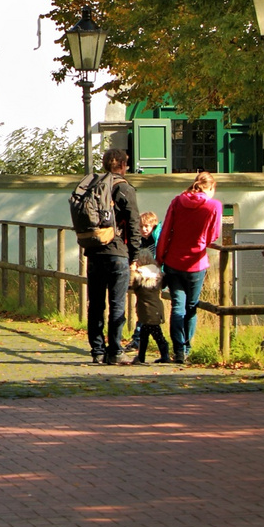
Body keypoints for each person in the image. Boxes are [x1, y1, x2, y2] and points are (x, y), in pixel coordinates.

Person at [155, 170, 224, 363]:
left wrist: (160, 258)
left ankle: (177, 349)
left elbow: (166, 229)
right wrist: (201, 241)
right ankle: (187, 348)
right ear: (210, 187)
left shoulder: (177, 201)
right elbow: (214, 235)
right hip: (196, 263)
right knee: (191, 306)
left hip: (173, 261)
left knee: (178, 306)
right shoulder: (214, 206)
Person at [82, 147, 141, 364]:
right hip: (117, 252)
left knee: (95, 303)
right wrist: (134, 255)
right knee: (117, 303)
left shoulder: (92, 184)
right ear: (123, 165)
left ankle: (97, 351)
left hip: (95, 251)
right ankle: (115, 351)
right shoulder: (124, 188)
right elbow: (134, 223)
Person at [122, 211, 163, 358]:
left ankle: (143, 341)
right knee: (143, 311)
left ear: (153, 226)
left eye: (147, 226)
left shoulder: (155, 240)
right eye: (141, 226)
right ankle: (139, 341)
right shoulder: (140, 241)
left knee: (147, 311)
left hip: (152, 279)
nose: (144, 229)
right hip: (143, 278)